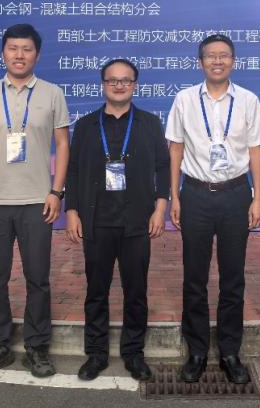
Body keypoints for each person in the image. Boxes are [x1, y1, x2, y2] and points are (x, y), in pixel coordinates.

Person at [0, 23, 70, 378]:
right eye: (13, 48)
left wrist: (56, 191)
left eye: (26, 49)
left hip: (37, 202)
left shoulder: (52, 93)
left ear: (37, 55)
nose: (19, 55)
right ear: (3, 53)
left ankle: (37, 347)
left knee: (38, 277)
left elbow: (63, 144)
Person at [166, 33, 260, 385]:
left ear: (233, 61)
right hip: (195, 195)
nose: (217, 61)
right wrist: (175, 196)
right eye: (211, 56)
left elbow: (256, 150)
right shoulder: (184, 99)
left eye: (224, 55)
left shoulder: (248, 100)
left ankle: (229, 352)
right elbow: (175, 148)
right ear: (200, 62)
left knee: (233, 277)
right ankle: (196, 351)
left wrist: (257, 197)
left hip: (235, 195)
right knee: (194, 277)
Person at [64, 58, 170, 381]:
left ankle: (133, 353)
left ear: (134, 85)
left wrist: (160, 208)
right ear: (103, 85)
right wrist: (72, 211)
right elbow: (73, 170)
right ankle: (96, 354)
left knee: (135, 291)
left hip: (136, 221)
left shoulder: (150, 124)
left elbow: (163, 167)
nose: (119, 85)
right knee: (96, 291)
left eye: (126, 80)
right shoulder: (86, 125)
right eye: (113, 80)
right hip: (96, 221)